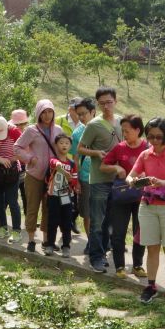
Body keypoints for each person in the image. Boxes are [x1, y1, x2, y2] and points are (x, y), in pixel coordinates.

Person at [126, 117, 165, 304]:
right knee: (152, 247)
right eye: (150, 136)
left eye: (158, 137)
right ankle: (151, 285)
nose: (154, 141)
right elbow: (131, 176)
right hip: (148, 206)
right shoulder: (145, 155)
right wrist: (134, 182)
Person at [100, 115, 149, 278]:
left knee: (140, 232)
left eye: (127, 131)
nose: (124, 134)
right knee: (118, 232)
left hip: (142, 197)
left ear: (137, 130)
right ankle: (120, 267)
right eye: (123, 131)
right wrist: (116, 168)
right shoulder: (119, 148)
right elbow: (103, 166)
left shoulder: (148, 147)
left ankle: (137, 265)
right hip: (121, 197)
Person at [78, 89, 121, 272]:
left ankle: (104, 253)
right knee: (96, 221)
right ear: (97, 104)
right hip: (98, 179)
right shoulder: (93, 125)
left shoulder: (122, 122)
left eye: (109, 102)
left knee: (110, 221)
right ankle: (96, 257)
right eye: (102, 102)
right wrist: (96, 153)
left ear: (116, 101)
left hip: (118, 179)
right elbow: (80, 148)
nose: (106, 105)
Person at [15, 100, 63, 252]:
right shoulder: (31, 130)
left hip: (53, 176)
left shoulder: (59, 129)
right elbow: (17, 148)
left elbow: (64, 147)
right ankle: (30, 239)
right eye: (43, 112)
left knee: (49, 209)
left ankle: (46, 240)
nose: (47, 115)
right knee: (32, 207)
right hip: (34, 175)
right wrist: (30, 158)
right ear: (38, 113)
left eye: (50, 111)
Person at [44, 133, 79, 256]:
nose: (64, 145)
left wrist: (71, 181)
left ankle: (66, 246)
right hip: (53, 196)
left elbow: (75, 181)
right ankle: (49, 245)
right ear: (56, 145)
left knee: (66, 222)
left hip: (67, 197)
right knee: (52, 221)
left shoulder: (73, 164)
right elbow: (56, 165)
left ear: (70, 146)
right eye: (61, 143)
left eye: (67, 143)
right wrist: (64, 172)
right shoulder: (53, 160)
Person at [70, 98, 95, 241]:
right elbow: (75, 158)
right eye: (78, 114)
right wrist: (77, 180)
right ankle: (91, 242)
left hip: (102, 178)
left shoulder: (103, 128)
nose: (80, 117)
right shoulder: (77, 133)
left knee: (103, 212)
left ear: (93, 112)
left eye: (83, 113)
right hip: (85, 179)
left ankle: (103, 241)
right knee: (87, 213)